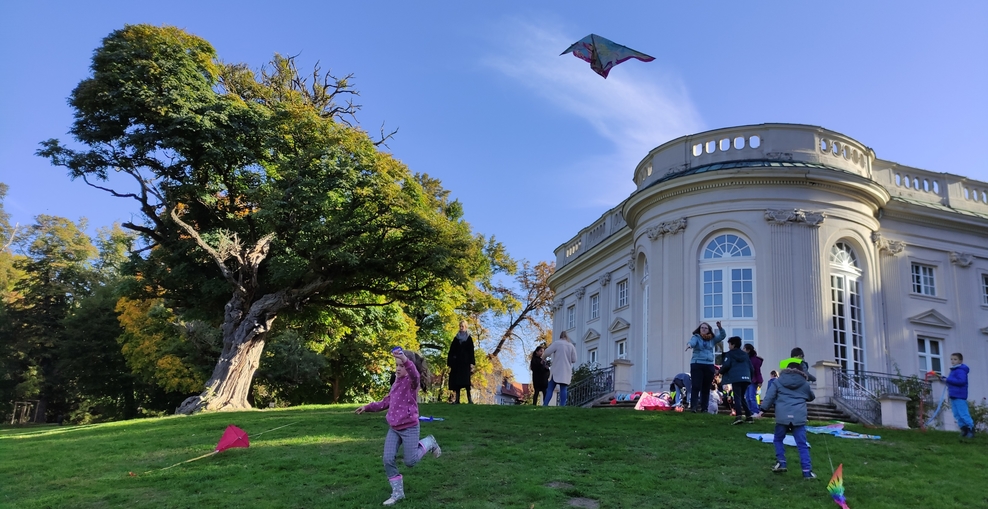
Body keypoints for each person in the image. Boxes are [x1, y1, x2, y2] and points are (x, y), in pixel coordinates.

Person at [355, 348, 442, 505]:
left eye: (401, 366)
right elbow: (386, 401)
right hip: (394, 428)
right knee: (387, 459)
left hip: (409, 428)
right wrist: (367, 407)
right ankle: (397, 493)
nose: (398, 368)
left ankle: (429, 442)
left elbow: (415, 374)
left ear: (408, 367)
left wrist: (405, 359)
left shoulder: (412, 383)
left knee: (410, 462)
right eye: (396, 365)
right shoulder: (396, 382)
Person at [760, 362, 816, 479]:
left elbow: (769, 397)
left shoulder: (778, 381)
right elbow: (811, 397)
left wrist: (762, 411)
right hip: (799, 417)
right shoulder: (804, 383)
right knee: (802, 445)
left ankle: (781, 462)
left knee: (778, 439)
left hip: (782, 416)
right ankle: (807, 471)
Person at [687, 321, 725, 413]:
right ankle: (694, 407)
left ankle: (704, 408)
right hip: (697, 364)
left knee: (706, 387)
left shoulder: (712, 339)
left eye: (705, 328)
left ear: (709, 330)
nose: (703, 329)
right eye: (702, 328)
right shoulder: (696, 337)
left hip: (708, 365)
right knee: (696, 386)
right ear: (699, 329)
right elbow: (692, 342)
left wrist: (720, 328)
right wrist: (689, 345)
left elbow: (722, 336)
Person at [720, 336, 754, 424]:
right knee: (742, 397)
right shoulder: (745, 355)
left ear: (733, 345)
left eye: (729, 344)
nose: (728, 346)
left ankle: (738, 416)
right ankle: (749, 416)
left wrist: (720, 371)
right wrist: (750, 377)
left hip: (736, 378)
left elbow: (726, 365)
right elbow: (751, 368)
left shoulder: (730, 354)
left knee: (737, 397)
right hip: (746, 378)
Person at [542, 331, 577, 406]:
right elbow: (574, 359)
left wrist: (543, 358)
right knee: (563, 388)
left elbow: (547, 352)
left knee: (550, 388)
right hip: (566, 370)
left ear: (560, 336)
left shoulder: (557, 343)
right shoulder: (571, 346)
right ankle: (562, 405)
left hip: (556, 369)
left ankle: (545, 404)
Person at [944, 352, 974, 438]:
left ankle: (970, 429)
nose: (953, 361)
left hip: (960, 395)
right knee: (956, 414)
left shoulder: (961, 370)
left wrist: (948, 380)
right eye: (951, 359)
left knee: (963, 413)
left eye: (955, 359)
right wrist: (945, 379)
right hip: (953, 395)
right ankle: (964, 430)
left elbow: (961, 381)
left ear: (960, 361)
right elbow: (952, 380)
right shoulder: (954, 370)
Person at [446, 320, 476, 404]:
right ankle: (457, 400)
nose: (461, 328)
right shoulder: (456, 338)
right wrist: (451, 361)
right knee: (457, 382)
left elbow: (471, 351)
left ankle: (470, 400)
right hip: (457, 363)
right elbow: (451, 350)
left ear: (466, 327)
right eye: (460, 326)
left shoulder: (469, 338)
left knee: (466, 382)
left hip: (465, 363)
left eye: (463, 326)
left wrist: (471, 363)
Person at [744, 344, 764, 418]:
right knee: (748, 397)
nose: (743, 350)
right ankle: (750, 412)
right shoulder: (747, 359)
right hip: (747, 380)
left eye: (744, 349)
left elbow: (757, 371)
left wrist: (759, 381)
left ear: (748, 350)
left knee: (751, 397)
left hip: (752, 381)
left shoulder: (755, 360)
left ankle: (755, 412)